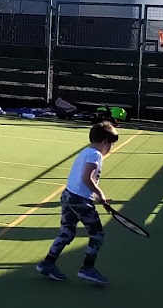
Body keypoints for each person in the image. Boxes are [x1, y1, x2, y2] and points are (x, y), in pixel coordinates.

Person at [34, 120, 120, 286]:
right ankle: (87, 269)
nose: (111, 148)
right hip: (79, 200)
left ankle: (47, 263)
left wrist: (95, 197)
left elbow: (82, 181)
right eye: (111, 145)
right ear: (104, 142)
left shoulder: (86, 152)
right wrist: (100, 194)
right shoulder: (96, 155)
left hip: (68, 196)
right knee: (97, 235)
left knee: (67, 232)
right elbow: (86, 178)